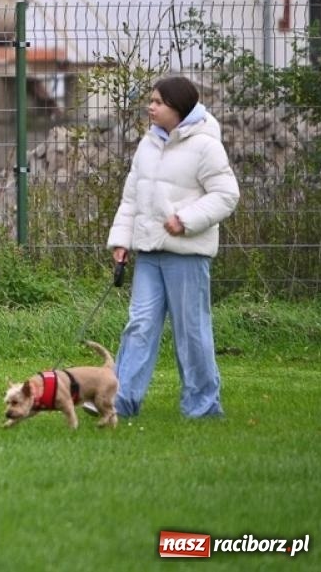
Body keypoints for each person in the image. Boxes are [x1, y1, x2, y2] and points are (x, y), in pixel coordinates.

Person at [107, 75, 239, 420]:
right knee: (139, 326)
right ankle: (119, 402)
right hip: (149, 253)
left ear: (178, 108)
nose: (150, 107)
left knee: (191, 332)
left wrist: (186, 219)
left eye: (158, 102)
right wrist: (122, 240)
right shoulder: (148, 144)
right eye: (151, 100)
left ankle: (203, 407)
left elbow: (227, 195)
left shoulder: (206, 146)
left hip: (187, 256)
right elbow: (132, 196)